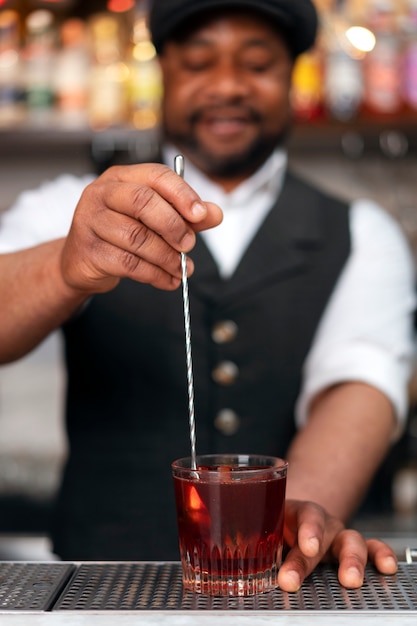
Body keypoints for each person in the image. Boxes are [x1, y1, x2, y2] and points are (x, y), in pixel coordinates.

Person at [0, 0, 415, 593]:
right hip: (103, 586)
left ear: (293, 76)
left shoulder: (362, 232)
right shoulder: (67, 204)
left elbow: (360, 382)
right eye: (198, 63)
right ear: (162, 69)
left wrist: (302, 513)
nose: (226, 86)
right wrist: (68, 264)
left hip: (278, 592)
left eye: (257, 65)